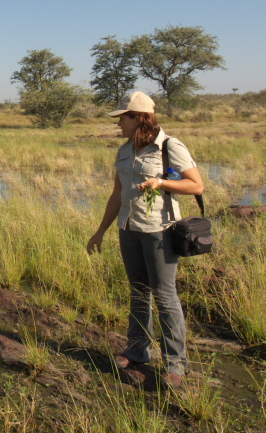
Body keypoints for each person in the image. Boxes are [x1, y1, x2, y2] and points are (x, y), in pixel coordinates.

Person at [86, 92, 204, 388]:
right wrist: (100, 231)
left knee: (164, 295)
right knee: (138, 290)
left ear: (139, 118)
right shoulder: (125, 150)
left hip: (159, 231)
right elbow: (117, 194)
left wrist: (161, 182)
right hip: (129, 228)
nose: (118, 124)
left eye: (122, 118)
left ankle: (176, 363)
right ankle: (137, 349)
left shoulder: (169, 146)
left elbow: (196, 185)